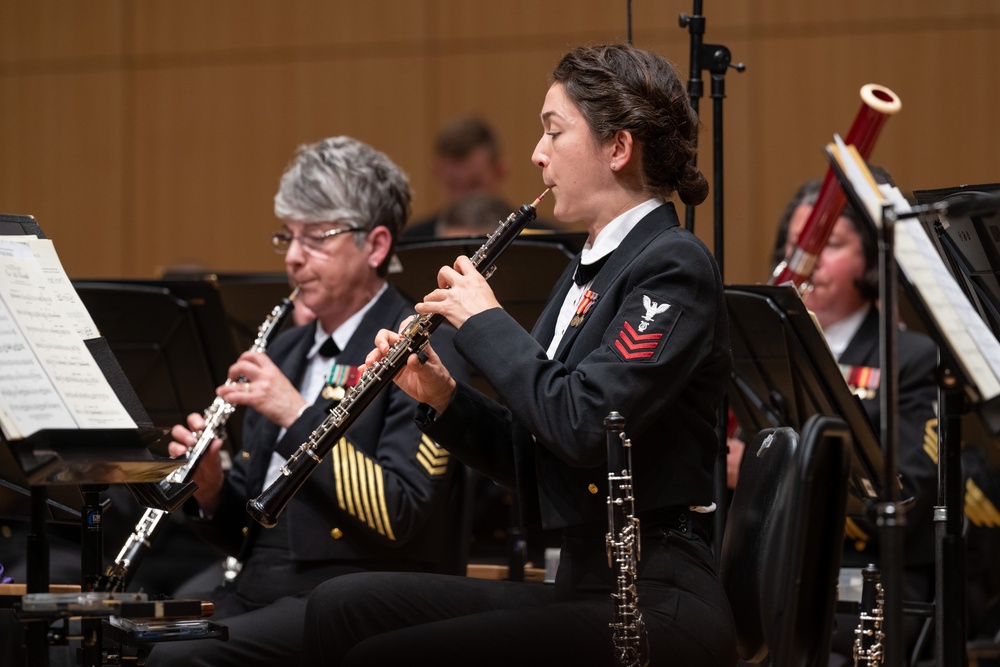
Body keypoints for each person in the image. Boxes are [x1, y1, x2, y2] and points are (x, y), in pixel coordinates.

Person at [301, 44, 736, 666]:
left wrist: (484, 320)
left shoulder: (673, 265)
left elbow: (587, 424)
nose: (537, 153)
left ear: (618, 147)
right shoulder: (587, 268)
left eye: (554, 131)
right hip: (586, 584)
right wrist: (447, 400)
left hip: (655, 596)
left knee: (389, 654)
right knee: (340, 605)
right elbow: (543, 444)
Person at [146, 136, 468, 667]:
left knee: (178, 662)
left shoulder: (423, 345)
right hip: (260, 589)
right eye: (288, 237)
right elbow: (251, 533)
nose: (294, 257)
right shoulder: (287, 347)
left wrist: (296, 414)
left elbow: (400, 512)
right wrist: (211, 490)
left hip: (353, 596)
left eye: (316, 238)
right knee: (114, 641)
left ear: (376, 245)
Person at [748, 177, 940, 665]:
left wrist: (768, 475)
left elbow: (907, 494)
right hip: (770, 574)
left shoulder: (911, 357)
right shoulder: (760, 347)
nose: (806, 261)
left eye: (828, 245)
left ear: (870, 260)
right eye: (795, 247)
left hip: (867, 586)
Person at [403, 115, 510, 238]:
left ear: (500, 172)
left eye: (474, 184)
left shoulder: (534, 239)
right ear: (437, 171)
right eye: (452, 184)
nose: (463, 197)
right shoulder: (412, 241)